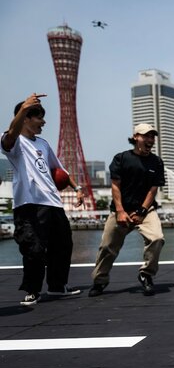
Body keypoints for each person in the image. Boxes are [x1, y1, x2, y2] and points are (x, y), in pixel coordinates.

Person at [1, 93, 85, 306]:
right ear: (26, 118)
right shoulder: (14, 142)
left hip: (53, 203)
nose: (44, 122)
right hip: (28, 204)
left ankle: (57, 286)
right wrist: (23, 108)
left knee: (63, 245)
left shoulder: (44, 144)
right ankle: (32, 290)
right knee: (33, 249)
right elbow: (11, 134)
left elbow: (59, 170)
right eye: (39, 117)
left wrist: (78, 189)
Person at [89, 123, 165, 297]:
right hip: (120, 210)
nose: (150, 140)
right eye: (146, 136)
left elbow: (153, 189)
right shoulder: (121, 158)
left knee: (157, 238)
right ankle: (99, 281)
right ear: (136, 137)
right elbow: (115, 186)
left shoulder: (157, 162)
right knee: (108, 247)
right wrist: (121, 211)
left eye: (152, 137)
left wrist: (142, 211)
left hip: (145, 211)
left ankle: (146, 275)